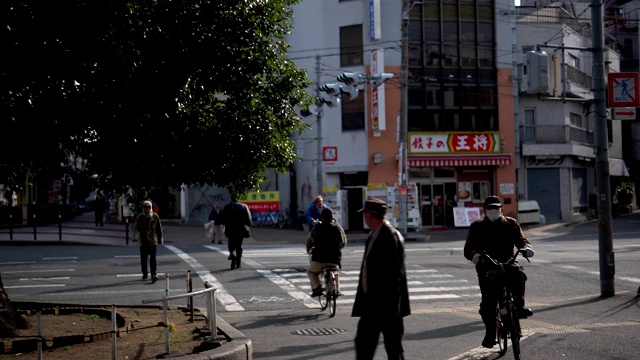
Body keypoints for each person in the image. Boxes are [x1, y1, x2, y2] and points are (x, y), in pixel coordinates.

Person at [463, 195, 535, 349]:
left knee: (519, 274)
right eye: (491, 208)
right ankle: (490, 333)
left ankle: (519, 306)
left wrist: (526, 248)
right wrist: (475, 256)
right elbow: (468, 248)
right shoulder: (477, 226)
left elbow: (521, 240)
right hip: (486, 268)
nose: (494, 211)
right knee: (487, 306)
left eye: (496, 208)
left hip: (508, 264)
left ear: (501, 209)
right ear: (485, 210)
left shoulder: (511, 223)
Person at [352, 198, 410, 360]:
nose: (364, 217)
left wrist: (389, 307)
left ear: (370, 216)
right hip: (373, 304)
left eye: (365, 214)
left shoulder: (390, 236)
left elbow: (395, 276)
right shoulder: (374, 234)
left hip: (385, 306)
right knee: (364, 345)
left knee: (393, 349)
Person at [306, 207, 347, 297]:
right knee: (335, 271)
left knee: (311, 272)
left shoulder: (317, 227)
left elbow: (309, 240)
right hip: (334, 259)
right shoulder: (337, 227)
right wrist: (338, 248)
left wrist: (309, 249)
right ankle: (335, 290)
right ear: (332, 216)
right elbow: (343, 242)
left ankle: (317, 288)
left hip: (318, 259)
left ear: (322, 216)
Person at [133, 200, 164, 283]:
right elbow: (136, 228)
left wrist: (160, 239)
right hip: (143, 242)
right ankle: (145, 273)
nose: (147, 209)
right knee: (144, 260)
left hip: (152, 241)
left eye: (149, 208)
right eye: (146, 208)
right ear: (143, 208)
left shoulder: (155, 216)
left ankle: (154, 274)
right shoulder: (140, 217)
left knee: (153, 259)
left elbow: (159, 229)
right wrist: (135, 237)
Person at [223, 197, 252, 270]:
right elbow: (248, 218)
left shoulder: (227, 207)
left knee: (231, 244)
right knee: (239, 245)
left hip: (230, 228)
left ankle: (232, 254)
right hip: (240, 229)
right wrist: (247, 226)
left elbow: (223, 218)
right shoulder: (244, 206)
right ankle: (238, 263)